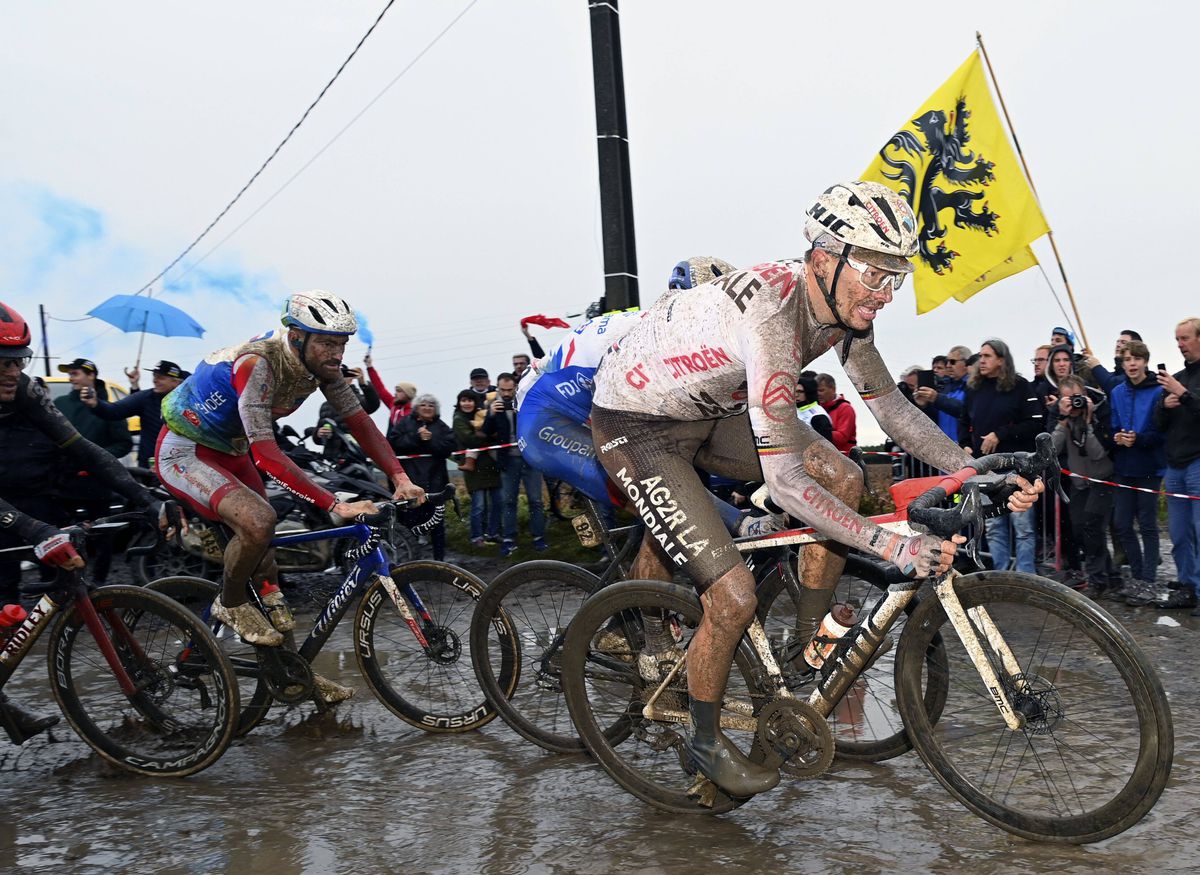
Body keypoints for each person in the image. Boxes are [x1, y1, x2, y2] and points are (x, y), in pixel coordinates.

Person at [589, 181, 1042, 797]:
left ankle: (806, 638)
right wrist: (893, 549)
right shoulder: (778, 314)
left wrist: (973, 467)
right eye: (874, 275)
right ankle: (701, 742)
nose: (884, 295)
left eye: (895, 279)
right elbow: (786, 481)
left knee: (845, 476)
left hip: (711, 412)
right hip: (638, 429)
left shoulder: (844, 316)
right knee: (732, 591)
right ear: (824, 260)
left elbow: (893, 412)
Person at [156, 291, 425, 703]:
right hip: (185, 450)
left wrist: (399, 477)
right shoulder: (258, 363)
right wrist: (335, 504)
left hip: (231, 451)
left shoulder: (326, 370)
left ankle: (295, 676)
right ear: (296, 337)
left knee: (270, 585)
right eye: (327, 343)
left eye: (342, 344)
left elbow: (361, 424)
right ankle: (229, 602)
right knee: (260, 521)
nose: (336, 354)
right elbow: (266, 453)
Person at [0, 302, 177, 742]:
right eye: (0, 363)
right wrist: (35, 530)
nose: (11, 372)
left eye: (17, 361)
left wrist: (146, 497)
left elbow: (83, 449)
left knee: (7, 612)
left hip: (18, 501)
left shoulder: (24, 390)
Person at [959, 339, 1044, 573]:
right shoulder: (973, 388)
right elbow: (964, 420)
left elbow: (1036, 422)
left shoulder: (1020, 386)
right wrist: (965, 445)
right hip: (986, 470)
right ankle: (1001, 574)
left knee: (1022, 526)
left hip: (1017, 468)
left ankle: (1026, 576)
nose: (981, 360)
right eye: (981, 355)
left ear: (1001, 360)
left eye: (987, 356)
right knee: (994, 525)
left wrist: (1000, 434)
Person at [54, 358, 133, 585]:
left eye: (75, 373)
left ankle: (98, 584)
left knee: (101, 535)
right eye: (69, 374)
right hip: (64, 481)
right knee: (61, 534)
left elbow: (123, 443)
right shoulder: (60, 403)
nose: (71, 377)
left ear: (91, 376)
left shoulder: (106, 407)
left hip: (97, 483)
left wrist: (95, 458)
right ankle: (65, 583)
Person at [1108, 340, 1166, 603]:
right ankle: (1139, 575)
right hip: (1123, 466)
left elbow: (1160, 431)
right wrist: (1116, 437)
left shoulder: (1157, 391)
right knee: (1121, 523)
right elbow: (1110, 425)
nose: (1131, 364)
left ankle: (1149, 580)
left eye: (1136, 359)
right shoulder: (1118, 391)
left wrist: (1139, 439)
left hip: (1149, 466)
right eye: (1127, 359)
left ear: (1145, 361)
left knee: (1147, 523)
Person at [1051, 375, 1117, 597]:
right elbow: (1050, 449)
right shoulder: (1060, 416)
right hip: (1079, 482)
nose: (1073, 403)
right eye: (1067, 399)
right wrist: (1062, 419)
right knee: (1080, 529)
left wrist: (1088, 422)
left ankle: (1098, 582)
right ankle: (1110, 575)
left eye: (1076, 397)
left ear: (1085, 395)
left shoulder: (1100, 412)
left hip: (1102, 478)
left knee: (1091, 527)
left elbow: (1098, 453)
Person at [1153, 317, 1200, 613]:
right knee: (1179, 533)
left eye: (1185, 338)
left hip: (1198, 463)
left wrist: (1182, 394)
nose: (1180, 344)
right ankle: (1187, 587)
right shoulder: (1178, 377)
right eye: (1177, 340)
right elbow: (1158, 425)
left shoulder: (1180, 384)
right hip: (1175, 465)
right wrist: (1164, 405)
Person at [82, 359, 189, 469]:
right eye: (154, 376)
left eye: (161, 377)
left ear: (176, 382)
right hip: (150, 468)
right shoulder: (145, 398)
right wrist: (95, 403)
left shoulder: (189, 402)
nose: (155, 380)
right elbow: (114, 411)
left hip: (183, 467)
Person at [483, 372, 546, 556]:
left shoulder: (526, 399)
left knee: (536, 500)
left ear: (516, 387)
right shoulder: (493, 404)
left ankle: (539, 537)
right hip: (507, 460)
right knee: (508, 501)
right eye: (503, 390)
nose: (507, 394)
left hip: (530, 457)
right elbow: (486, 433)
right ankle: (509, 538)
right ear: (497, 388)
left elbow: (539, 423)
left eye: (510, 390)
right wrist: (491, 414)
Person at [389, 394, 454, 560]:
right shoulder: (404, 423)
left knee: (437, 524)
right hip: (410, 483)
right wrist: (416, 438)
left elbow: (449, 448)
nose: (427, 408)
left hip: (435, 482)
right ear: (417, 407)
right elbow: (393, 443)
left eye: (431, 405)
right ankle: (410, 559)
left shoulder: (442, 427)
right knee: (409, 522)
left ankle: (440, 560)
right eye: (423, 404)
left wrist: (430, 441)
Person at [452, 391, 501, 546]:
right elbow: (469, 440)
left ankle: (493, 533)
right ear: (459, 402)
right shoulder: (458, 419)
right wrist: (488, 438)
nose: (467, 403)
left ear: (475, 402)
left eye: (470, 400)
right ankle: (476, 536)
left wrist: (486, 435)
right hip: (473, 468)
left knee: (496, 502)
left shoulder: (483, 414)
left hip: (490, 464)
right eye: (463, 400)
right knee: (478, 505)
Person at [313, 364, 381, 462]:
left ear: (350, 379)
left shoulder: (357, 400)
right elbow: (318, 436)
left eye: (341, 376)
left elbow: (373, 404)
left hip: (355, 457)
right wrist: (318, 433)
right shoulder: (325, 406)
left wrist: (363, 382)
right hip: (330, 459)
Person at [913, 345, 970, 443]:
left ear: (966, 363)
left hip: (965, 446)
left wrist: (936, 398)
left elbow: (965, 410)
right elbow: (937, 418)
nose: (948, 365)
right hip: (946, 446)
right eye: (947, 361)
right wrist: (925, 405)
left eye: (952, 362)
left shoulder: (973, 385)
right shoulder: (946, 386)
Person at [363, 353, 415, 429]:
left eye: (399, 391)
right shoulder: (393, 404)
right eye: (396, 390)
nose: (396, 393)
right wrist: (369, 367)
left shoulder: (414, 413)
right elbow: (380, 388)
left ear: (408, 394)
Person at [816, 373, 856, 452]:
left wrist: (818, 432)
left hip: (843, 458)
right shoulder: (816, 408)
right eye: (815, 391)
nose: (818, 394)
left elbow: (842, 438)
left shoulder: (845, 408)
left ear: (833, 389)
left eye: (821, 390)